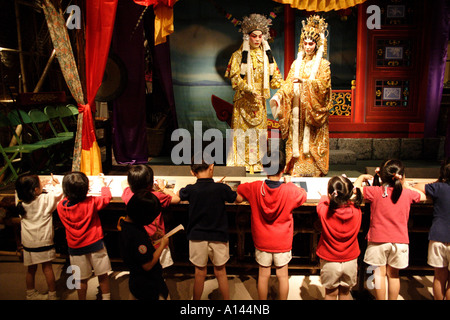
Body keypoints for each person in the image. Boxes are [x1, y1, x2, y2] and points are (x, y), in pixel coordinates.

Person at [236, 150, 307, 299]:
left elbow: (240, 190)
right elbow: (303, 195)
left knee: (263, 275)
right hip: (282, 241)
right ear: (283, 169)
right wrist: (290, 183)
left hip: (262, 241)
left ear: (263, 168)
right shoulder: (288, 190)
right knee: (282, 276)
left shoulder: (255, 187)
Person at [270, 15, 332, 177]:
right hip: (298, 109)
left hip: (312, 110)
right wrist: (279, 95)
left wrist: (305, 82)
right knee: (296, 138)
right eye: (305, 43)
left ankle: (314, 168)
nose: (308, 47)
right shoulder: (296, 63)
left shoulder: (324, 65)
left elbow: (323, 86)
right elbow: (289, 84)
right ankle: (295, 166)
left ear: (317, 44)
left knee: (312, 141)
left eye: (311, 44)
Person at [354, 159, 426, 300]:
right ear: (402, 176)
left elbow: (354, 190)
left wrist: (361, 178)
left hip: (377, 241)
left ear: (381, 176)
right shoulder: (407, 194)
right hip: (400, 241)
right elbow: (422, 196)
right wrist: (404, 185)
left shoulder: (375, 191)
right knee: (394, 275)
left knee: (377, 274)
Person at [225, 13, 283, 174]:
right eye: (253, 36)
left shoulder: (267, 57)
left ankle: (257, 162)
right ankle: (240, 162)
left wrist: (285, 86)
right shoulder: (238, 56)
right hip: (243, 100)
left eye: (260, 36)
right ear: (247, 37)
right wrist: (250, 90)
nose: (257, 39)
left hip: (259, 102)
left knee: (258, 135)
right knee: (242, 135)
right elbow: (235, 80)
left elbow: (276, 79)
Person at [178, 160, 238, 300]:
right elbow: (237, 198)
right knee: (221, 272)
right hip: (219, 236)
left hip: (197, 236)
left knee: (199, 273)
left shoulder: (190, 189)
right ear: (212, 167)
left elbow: (179, 195)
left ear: (192, 172)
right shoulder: (221, 189)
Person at [57, 172, 112, 300]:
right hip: (95, 244)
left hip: (75, 248)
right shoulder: (91, 202)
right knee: (102, 274)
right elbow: (106, 198)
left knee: (80, 278)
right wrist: (104, 185)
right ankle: (106, 298)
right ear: (86, 188)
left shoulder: (61, 206)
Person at [121, 164, 180, 268]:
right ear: (151, 183)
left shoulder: (129, 195)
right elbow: (176, 199)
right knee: (155, 267)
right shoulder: (156, 195)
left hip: (144, 241)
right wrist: (161, 187)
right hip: (157, 240)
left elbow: (123, 184)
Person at [15, 174, 63, 300]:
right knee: (47, 268)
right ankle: (52, 295)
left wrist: (39, 184)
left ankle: (30, 294)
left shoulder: (20, 201)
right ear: (36, 190)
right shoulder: (45, 200)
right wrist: (55, 183)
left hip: (28, 242)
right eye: (40, 183)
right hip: (44, 241)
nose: (42, 183)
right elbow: (60, 193)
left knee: (31, 269)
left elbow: (19, 189)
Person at [316, 175, 363, 300]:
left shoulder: (323, 211)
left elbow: (322, 201)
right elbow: (353, 199)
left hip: (330, 260)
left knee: (330, 294)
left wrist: (324, 196)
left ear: (331, 194)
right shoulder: (357, 211)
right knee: (346, 293)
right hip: (350, 260)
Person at [120, 190, 170, 300]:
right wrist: (162, 245)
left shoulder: (127, 224)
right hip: (147, 283)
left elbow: (136, 249)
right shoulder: (136, 236)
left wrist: (151, 238)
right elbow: (147, 265)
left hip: (135, 279)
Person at [411, 158, 450, 300]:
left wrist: (439, 181)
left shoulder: (439, 187)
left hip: (438, 236)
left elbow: (418, 185)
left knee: (439, 277)